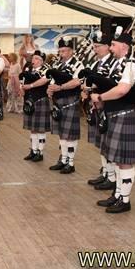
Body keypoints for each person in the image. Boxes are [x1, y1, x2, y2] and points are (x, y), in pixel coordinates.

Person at [91, 29, 135, 213]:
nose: (111, 48)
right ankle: (118, 194)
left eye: (113, 45)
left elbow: (121, 90)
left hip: (124, 115)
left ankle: (125, 200)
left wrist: (100, 97)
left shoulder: (131, 66)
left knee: (125, 161)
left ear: (124, 46)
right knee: (118, 160)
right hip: (114, 115)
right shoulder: (118, 65)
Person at [82, 31, 116, 191]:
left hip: (108, 107)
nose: (95, 49)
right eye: (94, 46)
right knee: (102, 144)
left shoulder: (113, 63)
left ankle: (112, 177)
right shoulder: (96, 64)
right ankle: (106, 173)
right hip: (97, 106)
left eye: (98, 46)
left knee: (108, 144)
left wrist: (93, 90)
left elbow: (109, 85)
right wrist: (86, 90)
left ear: (108, 46)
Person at [47, 37, 85, 174]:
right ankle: (63, 160)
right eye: (60, 51)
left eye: (64, 51)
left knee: (70, 134)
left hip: (70, 100)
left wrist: (60, 87)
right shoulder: (57, 64)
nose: (62, 53)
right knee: (62, 133)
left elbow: (77, 81)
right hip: (58, 101)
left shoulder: (78, 65)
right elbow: (52, 81)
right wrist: (50, 89)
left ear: (71, 51)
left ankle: (71, 163)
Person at [20, 50, 50, 162]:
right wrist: (21, 88)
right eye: (33, 58)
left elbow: (43, 81)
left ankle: (40, 152)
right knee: (32, 129)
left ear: (42, 61)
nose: (34, 60)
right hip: (29, 100)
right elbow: (22, 80)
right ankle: (33, 150)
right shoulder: (29, 68)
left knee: (40, 129)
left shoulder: (46, 69)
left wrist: (30, 86)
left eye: (37, 59)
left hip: (40, 100)